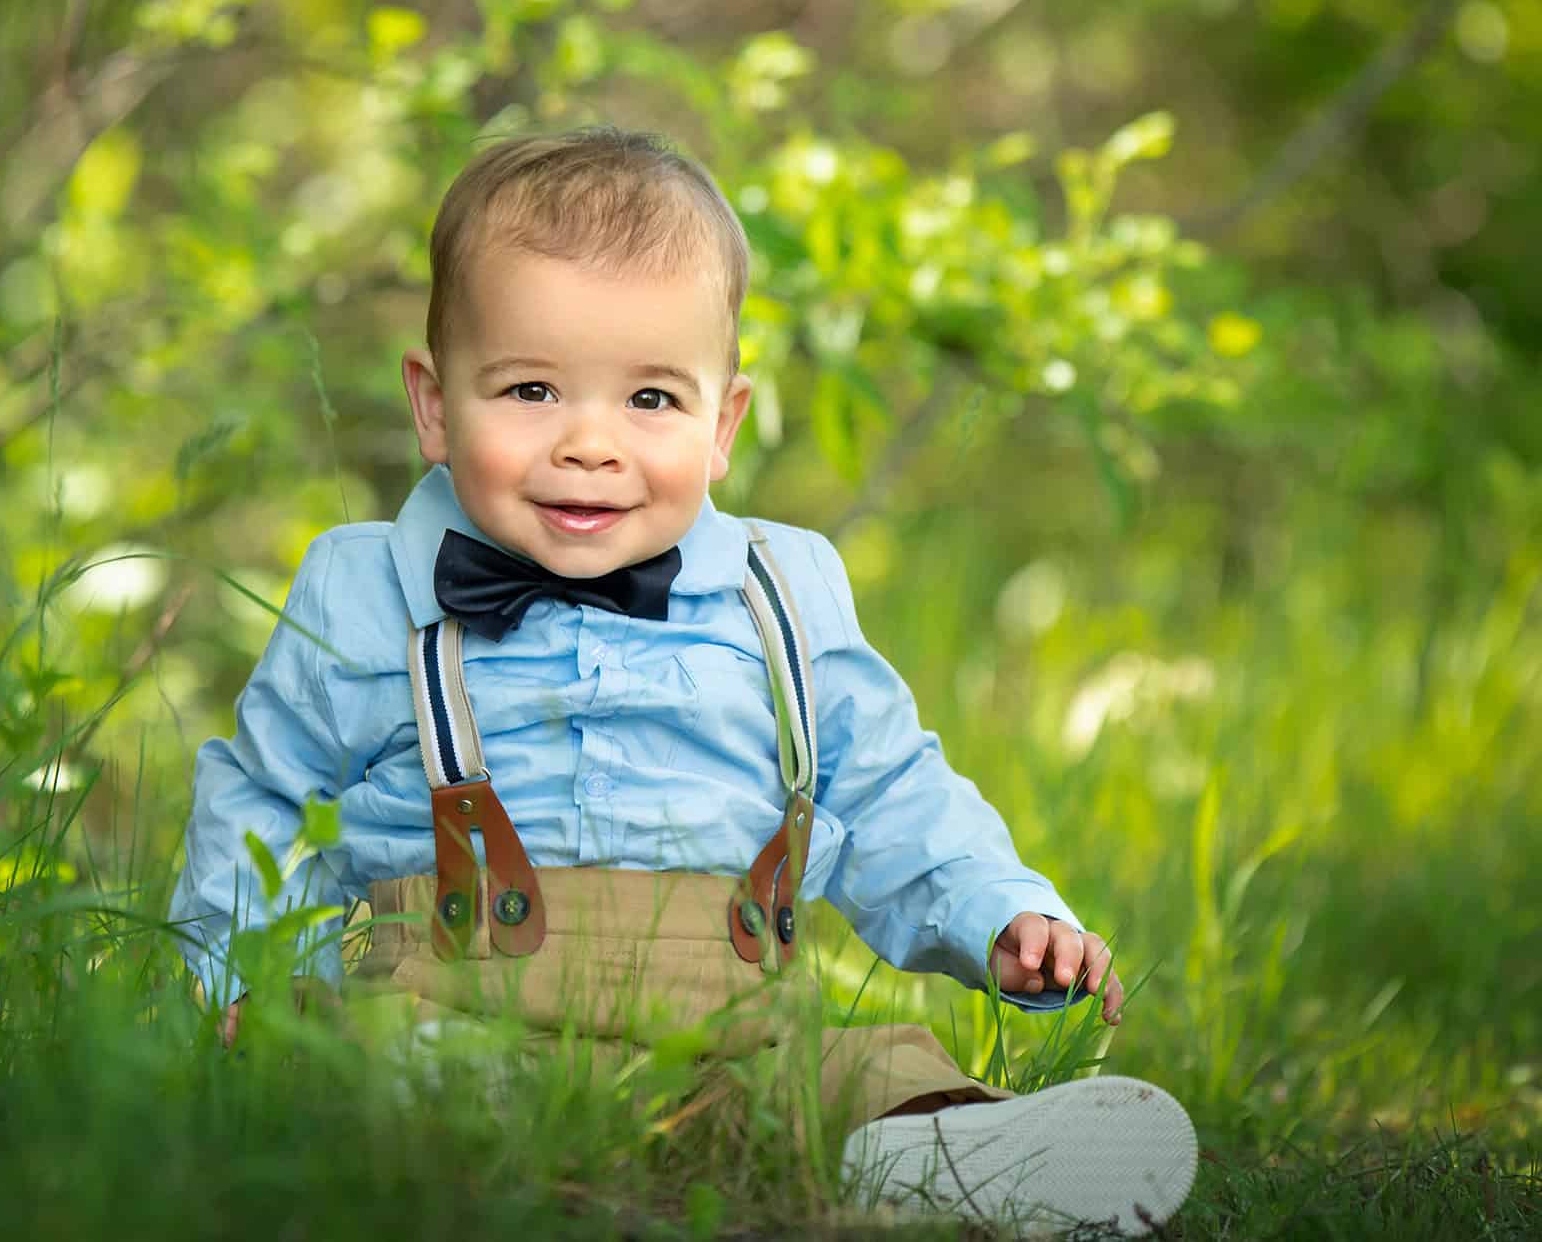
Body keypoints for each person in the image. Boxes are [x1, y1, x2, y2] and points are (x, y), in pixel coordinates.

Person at [169, 126, 1197, 1233]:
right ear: (432, 405)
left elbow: (891, 789)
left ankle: (927, 1160)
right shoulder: (365, 587)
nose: (589, 445)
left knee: (858, 1076)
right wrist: (243, 979)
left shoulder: (781, 592)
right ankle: (443, 1123)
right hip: (452, 1003)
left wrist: (1001, 912)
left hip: (737, 1030)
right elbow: (265, 798)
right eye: (528, 390)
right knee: (386, 1053)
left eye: (649, 401)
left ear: (723, 425)